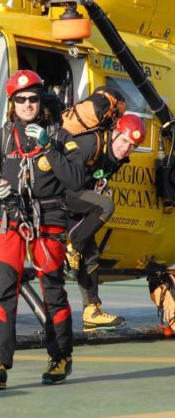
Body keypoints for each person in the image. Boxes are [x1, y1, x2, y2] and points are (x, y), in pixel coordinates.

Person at [0, 69, 85, 390]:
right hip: (10, 222)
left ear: (41, 101)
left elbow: (77, 180)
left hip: (48, 224)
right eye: (20, 99)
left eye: (32, 98)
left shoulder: (62, 138)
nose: (27, 104)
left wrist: (49, 147)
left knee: (53, 290)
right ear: (12, 103)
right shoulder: (2, 138)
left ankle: (60, 356)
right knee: (2, 289)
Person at [64, 113, 146, 331]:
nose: (126, 148)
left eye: (133, 146)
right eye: (125, 141)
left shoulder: (118, 159)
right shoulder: (91, 143)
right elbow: (65, 175)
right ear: (114, 134)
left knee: (91, 256)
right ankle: (73, 245)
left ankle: (92, 310)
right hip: (60, 196)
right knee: (106, 206)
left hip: (77, 202)